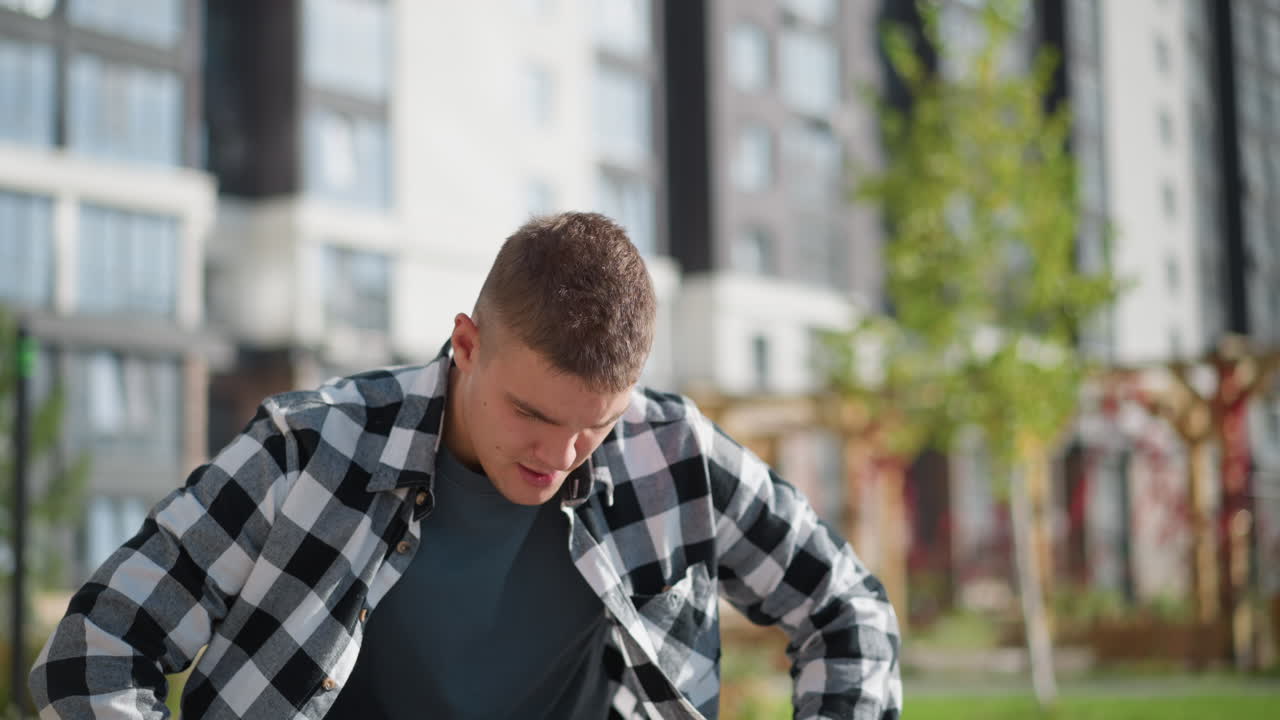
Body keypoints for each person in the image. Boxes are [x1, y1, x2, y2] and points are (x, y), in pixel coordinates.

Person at [30, 212, 901, 719]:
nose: (558, 458)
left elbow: (845, 609)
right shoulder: (308, 449)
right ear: (467, 344)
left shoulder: (672, 457)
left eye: (591, 426)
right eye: (531, 412)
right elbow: (99, 644)